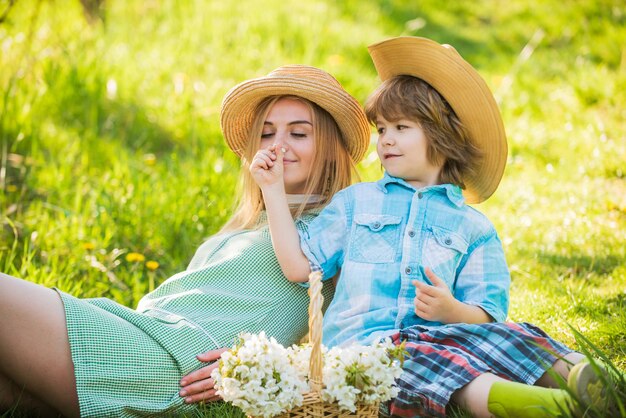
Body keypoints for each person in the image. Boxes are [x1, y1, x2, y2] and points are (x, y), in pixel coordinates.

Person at [251, 37, 612, 418]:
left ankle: (594, 380)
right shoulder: (356, 202)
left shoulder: (473, 227)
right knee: (446, 368)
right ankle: (545, 407)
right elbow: (297, 266)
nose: (386, 139)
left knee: (515, 337)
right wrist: (272, 190)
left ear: (443, 138)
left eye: (401, 127)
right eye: (382, 128)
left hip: (446, 334)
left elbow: (489, 313)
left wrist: (452, 309)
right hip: (369, 353)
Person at [0, 65, 371, 417]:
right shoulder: (250, 222)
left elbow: (365, 339)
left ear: (328, 147)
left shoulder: (333, 229)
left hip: (175, 362)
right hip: (145, 330)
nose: (278, 145)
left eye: (299, 133)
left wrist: (262, 366)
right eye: (267, 132)